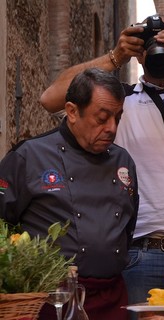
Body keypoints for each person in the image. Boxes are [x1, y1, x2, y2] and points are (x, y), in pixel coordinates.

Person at [40, 14, 164, 312]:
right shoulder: (120, 106)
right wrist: (117, 56)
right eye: (150, 43)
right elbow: (50, 99)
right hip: (143, 253)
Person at [0, 68, 139, 320]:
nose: (111, 128)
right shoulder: (29, 156)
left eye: (117, 118)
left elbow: (127, 228)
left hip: (112, 297)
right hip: (52, 300)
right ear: (73, 112)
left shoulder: (123, 161)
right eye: (102, 118)